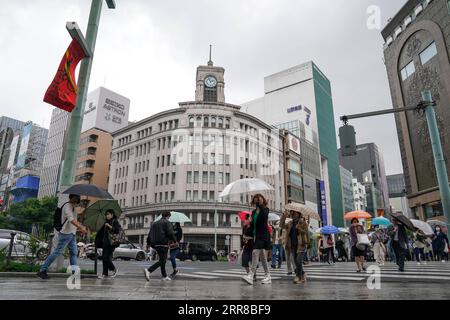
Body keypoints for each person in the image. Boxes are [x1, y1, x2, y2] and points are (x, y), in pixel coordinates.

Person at [37, 194, 87, 279]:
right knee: (57, 252)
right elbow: (71, 219)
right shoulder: (67, 206)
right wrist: (81, 227)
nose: (76, 199)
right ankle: (42, 270)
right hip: (65, 234)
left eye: (77, 198)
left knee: (73, 253)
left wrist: (78, 229)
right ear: (70, 198)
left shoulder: (72, 207)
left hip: (71, 233)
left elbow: (71, 221)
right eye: (74, 198)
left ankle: (75, 273)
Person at [242, 194, 272, 285]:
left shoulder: (265, 209)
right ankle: (268, 276)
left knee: (255, 253)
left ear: (262, 200)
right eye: (255, 200)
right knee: (262, 257)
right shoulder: (254, 212)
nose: (257, 201)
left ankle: (251, 275)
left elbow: (264, 218)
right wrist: (249, 223)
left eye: (259, 199)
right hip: (256, 235)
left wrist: (261, 206)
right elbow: (253, 225)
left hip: (263, 235)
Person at [144, 212, 176, 281]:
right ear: (168, 216)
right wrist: (174, 241)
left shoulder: (154, 223)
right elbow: (170, 233)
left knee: (162, 260)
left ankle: (164, 276)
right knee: (163, 260)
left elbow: (149, 234)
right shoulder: (167, 222)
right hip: (163, 243)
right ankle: (149, 270)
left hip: (155, 244)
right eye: (169, 217)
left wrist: (148, 244)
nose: (169, 218)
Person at [95, 209, 121, 279]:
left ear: (112, 214)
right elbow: (102, 233)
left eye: (108, 214)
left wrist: (109, 226)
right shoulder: (106, 222)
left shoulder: (114, 221)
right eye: (106, 214)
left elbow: (117, 230)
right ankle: (104, 274)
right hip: (105, 243)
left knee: (106, 258)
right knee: (104, 258)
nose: (107, 216)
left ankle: (114, 269)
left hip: (112, 243)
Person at [280, 210, 300, 275]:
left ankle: (295, 269)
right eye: (293, 214)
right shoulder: (290, 223)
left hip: (295, 242)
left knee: (292, 257)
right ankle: (289, 270)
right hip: (288, 242)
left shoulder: (300, 223)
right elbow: (282, 225)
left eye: (295, 213)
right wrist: (284, 216)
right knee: (287, 257)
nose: (294, 215)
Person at [293, 217, 310, 284]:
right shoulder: (292, 222)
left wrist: (298, 228)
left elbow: (306, 232)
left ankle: (299, 277)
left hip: (302, 244)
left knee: (299, 261)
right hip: (295, 244)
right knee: (296, 261)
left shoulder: (304, 223)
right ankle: (303, 274)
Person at [241, 214, 257, 280]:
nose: (244, 221)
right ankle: (249, 274)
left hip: (252, 245)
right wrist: (243, 240)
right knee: (244, 261)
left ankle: (254, 275)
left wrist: (248, 238)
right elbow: (243, 236)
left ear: (249, 220)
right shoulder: (244, 227)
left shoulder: (253, 226)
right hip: (246, 246)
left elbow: (255, 236)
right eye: (244, 220)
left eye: (245, 220)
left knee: (253, 261)